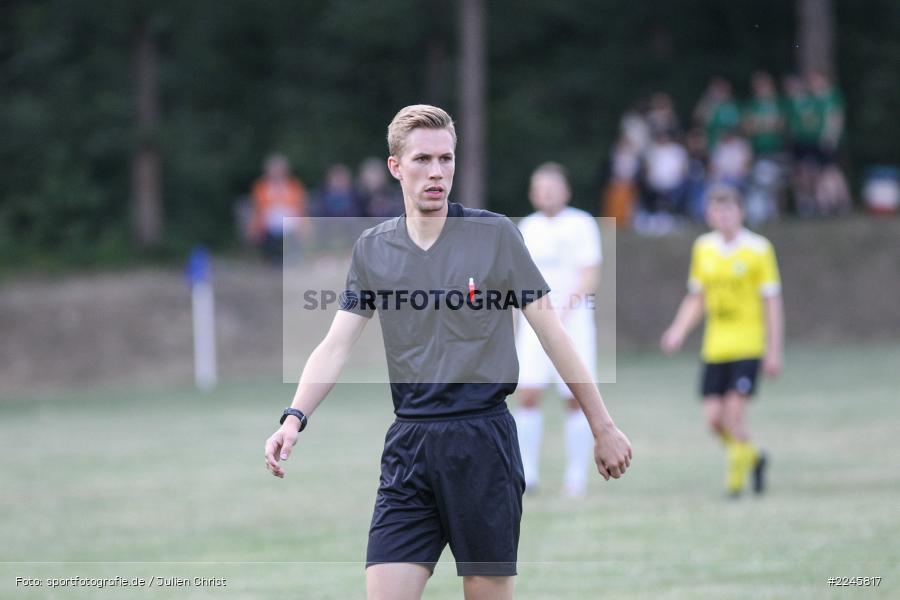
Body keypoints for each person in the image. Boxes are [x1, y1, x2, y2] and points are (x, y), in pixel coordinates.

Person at [264, 105, 632, 600]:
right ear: (395, 166)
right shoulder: (373, 249)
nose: (437, 172)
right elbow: (335, 345)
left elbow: (553, 334)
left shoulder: (496, 235)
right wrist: (294, 417)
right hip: (409, 444)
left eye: (446, 159)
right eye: (422, 160)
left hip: (482, 442)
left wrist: (602, 426)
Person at [660, 185, 783, 498]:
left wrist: (774, 350)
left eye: (729, 210)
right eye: (717, 211)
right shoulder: (704, 248)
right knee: (714, 420)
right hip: (715, 346)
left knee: (733, 416)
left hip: (748, 344)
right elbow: (697, 297)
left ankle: (735, 481)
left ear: (740, 213)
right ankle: (754, 456)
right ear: (709, 214)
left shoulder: (758, 249)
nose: (724, 216)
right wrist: (678, 330)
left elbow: (772, 302)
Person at [515, 163, 603, 499]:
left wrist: (564, 311)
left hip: (573, 327)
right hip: (533, 328)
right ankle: (528, 473)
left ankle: (576, 476)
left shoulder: (581, 224)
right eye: (540, 187)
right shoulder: (527, 227)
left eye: (552, 187)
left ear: (565, 190)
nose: (546, 193)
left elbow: (589, 272)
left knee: (576, 399)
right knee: (528, 394)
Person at [249, 153, 307, 263]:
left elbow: (299, 205)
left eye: (280, 169)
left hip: (290, 218)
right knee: (273, 223)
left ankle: (291, 255)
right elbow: (259, 207)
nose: (277, 172)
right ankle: (275, 257)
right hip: (268, 220)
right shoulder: (261, 186)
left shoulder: (293, 185)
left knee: (294, 224)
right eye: (274, 169)